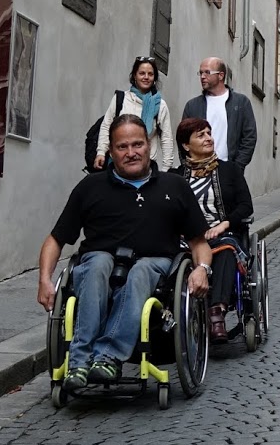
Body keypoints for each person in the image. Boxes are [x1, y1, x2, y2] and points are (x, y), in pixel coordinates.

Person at [38, 115, 212, 391]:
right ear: (111, 152)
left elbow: (199, 243)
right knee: (98, 263)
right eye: (122, 147)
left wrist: (202, 269)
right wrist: (45, 280)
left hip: (155, 269)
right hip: (98, 264)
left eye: (137, 144)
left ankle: (108, 356)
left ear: (149, 146)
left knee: (141, 270)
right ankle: (79, 362)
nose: (131, 152)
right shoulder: (90, 187)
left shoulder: (175, 186)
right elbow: (56, 239)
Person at [171, 117, 254, 343]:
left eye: (209, 133)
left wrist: (223, 224)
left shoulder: (230, 170)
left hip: (221, 233)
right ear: (186, 145)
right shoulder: (175, 177)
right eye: (201, 135)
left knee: (226, 250)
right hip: (186, 238)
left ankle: (216, 315)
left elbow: (245, 205)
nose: (208, 138)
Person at [93, 56, 176, 172]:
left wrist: (166, 168)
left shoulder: (160, 105)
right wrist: (101, 152)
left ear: (154, 78)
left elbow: (166, 138)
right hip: (118, 164)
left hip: (145, 167)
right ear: (134, 76)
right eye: (142, 73)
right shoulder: (120, 99)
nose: (146, 77)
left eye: (150, 74)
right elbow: (107, 125)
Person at [181, 57, 257, 170]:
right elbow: (183, 138)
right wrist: (189, 167)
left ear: (221, 75)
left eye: (207, 72)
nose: (202, 76)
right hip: (198, 170)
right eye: (201, 73)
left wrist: (237, 167)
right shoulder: (192, 106)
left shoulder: (241, 103)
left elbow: (249, 137)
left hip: (229, 169)